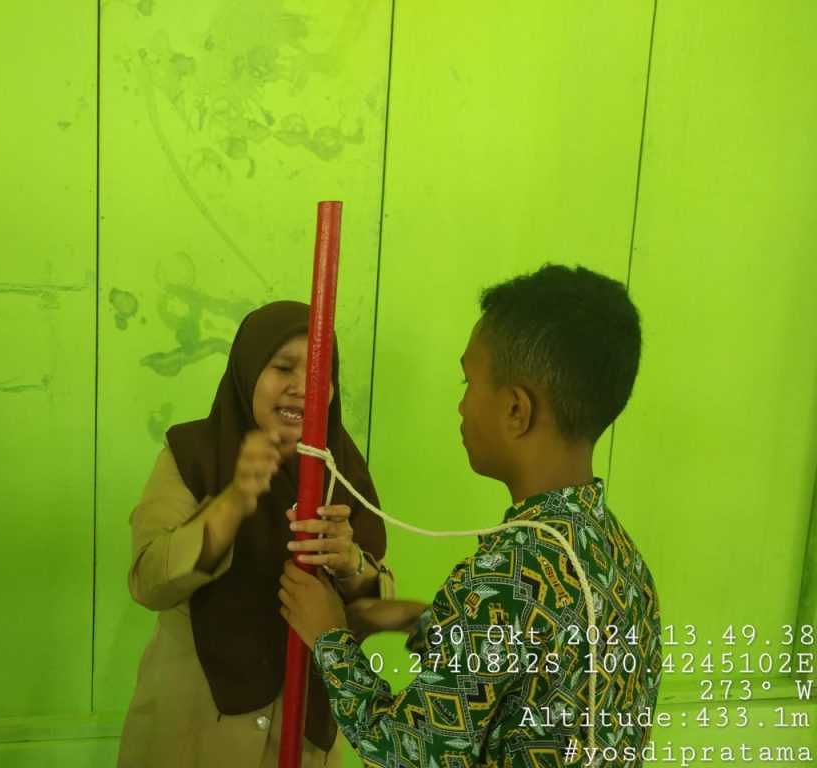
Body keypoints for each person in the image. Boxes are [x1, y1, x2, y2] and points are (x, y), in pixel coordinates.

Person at [280, 265, 663, 767]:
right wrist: (422, 621)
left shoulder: (507, 574)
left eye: (468, 381)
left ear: (516, 411)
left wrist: (330, 639)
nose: (461, 405)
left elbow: (408, 752)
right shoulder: (623, 559)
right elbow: (527, 668)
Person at [117, 300, 393, 768]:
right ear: (248, 370)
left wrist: (351, 564)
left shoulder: (343, 471)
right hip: (194, 726)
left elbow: (373, 607)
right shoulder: (193, 453)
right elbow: (149, 582)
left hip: (304, 733)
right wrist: (232, 502)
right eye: (282, 367)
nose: (302, 388)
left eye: (320, 373)